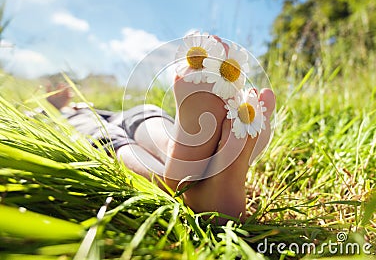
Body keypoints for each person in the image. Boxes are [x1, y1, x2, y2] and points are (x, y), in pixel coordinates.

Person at [46, 42, 276, 223]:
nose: (63, 91)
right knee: (111, 134)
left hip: (112, 114)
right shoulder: (45, 112)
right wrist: (52, 106)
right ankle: (196, 181)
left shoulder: (84, 103)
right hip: (79, 121)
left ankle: (184, 165)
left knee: (142, 114)